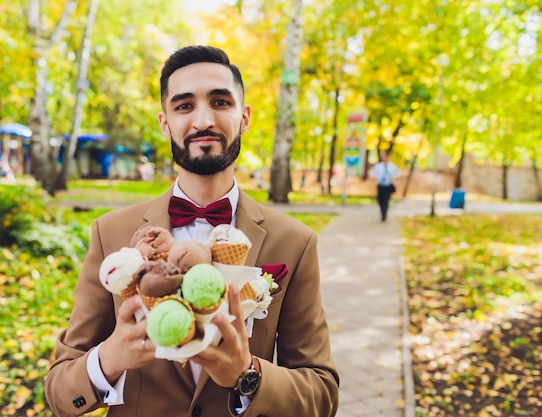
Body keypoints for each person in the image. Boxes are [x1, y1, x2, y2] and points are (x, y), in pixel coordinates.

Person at [44, 45, 339, 417]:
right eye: (184, 106)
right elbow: (58, 391)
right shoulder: (110, 232)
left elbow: (322, 395)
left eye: (220, 102)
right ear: (165, 122)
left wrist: (247, 374)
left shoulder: (295, 242)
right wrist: (109, 358)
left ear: (244, 117)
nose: (203, 121)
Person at [370, 151, 400, 221]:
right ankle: (382, 212)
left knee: (386, 200)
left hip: (388, 185)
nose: (385, 158)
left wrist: (393, 177)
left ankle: (384, 215)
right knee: (380, 201)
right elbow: (373, 175)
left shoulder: (392, 166)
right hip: (380, 185)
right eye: (384, 157)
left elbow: (397, 175)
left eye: (387, 157)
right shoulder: (378, 166)